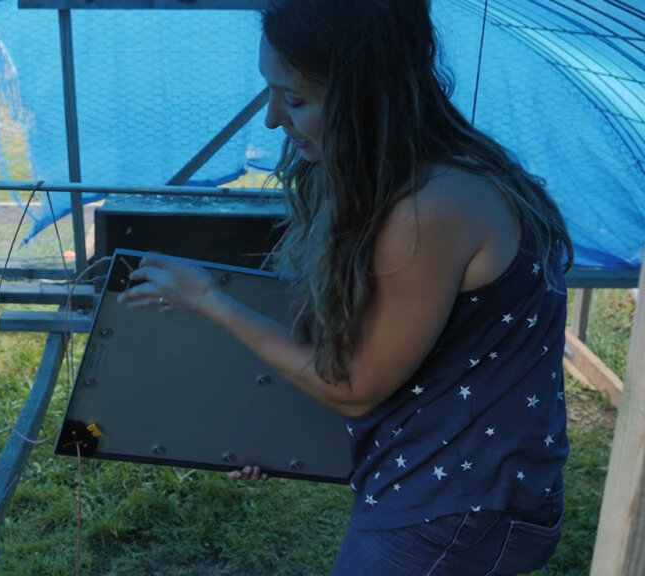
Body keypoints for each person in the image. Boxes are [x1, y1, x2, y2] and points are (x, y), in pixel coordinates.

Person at [117, 0, 574, 574]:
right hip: (457, 491)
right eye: (272, 91)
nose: (272, 119)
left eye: (298, 99)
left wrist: (209, 299)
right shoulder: (428, 173)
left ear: (366, 93)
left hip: (451, 514)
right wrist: (260, 428)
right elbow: (403, 358)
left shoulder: (429, 209)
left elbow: (356, 386)